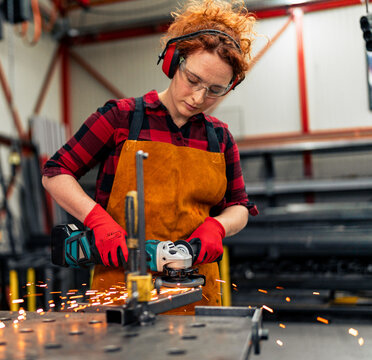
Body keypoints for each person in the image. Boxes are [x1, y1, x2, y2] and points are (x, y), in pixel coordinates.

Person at [42, 0, 258, 314]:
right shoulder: (121, 118)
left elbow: (239, 206)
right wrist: (101, 223)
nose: (199, 98)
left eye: (214, 90)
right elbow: (55, 172)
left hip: (198, 291)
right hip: (121, 288)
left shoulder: (219, 137)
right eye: (193, 80)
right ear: (173, 61)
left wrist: (218, 228)